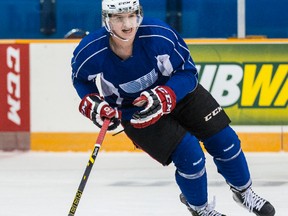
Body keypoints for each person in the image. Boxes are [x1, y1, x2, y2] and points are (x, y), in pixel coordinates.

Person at [71, 0, 275, 215]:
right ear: (107, 20)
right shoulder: (91, 51)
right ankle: (200, 209)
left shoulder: (159, 35)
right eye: (119, 18)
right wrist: (92, 101)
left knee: (226, 141)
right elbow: (80, 80)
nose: (127, 24)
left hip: (178, 95)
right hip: (136, 112)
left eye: (131, 15)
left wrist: (166, 94)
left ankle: (244, 192)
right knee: (191, 157)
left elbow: (188, 72)